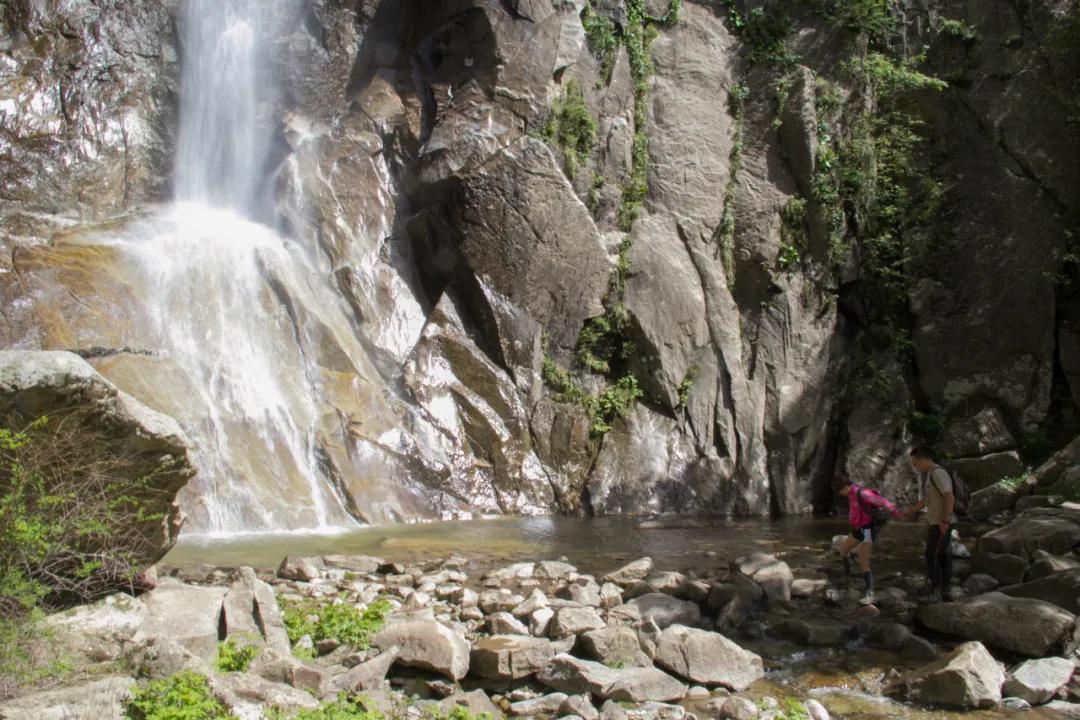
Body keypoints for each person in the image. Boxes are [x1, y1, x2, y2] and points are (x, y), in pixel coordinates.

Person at [833, 473, 902, 605]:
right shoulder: (851, 493)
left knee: (863, 560)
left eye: (840, 491)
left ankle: (870, 593)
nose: (841, 494)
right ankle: (848, 577)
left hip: (867, 529)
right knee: (843, 549)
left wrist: (898, 514)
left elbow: (883, 502)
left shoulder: (862, 493)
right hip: (858, 529)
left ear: (846, 486)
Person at [905, 446, 956, 603]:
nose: (915, 467)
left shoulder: (938, 473)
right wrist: (912, 510)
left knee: (934, 555)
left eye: (915, 463)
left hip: (941, 522)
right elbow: (928, 499)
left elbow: (949, 497)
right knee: (939, 555)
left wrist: (945, 521)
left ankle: (939, 590)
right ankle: (942, 591)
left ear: (923, 459)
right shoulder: (931, 475)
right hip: (936, 521)